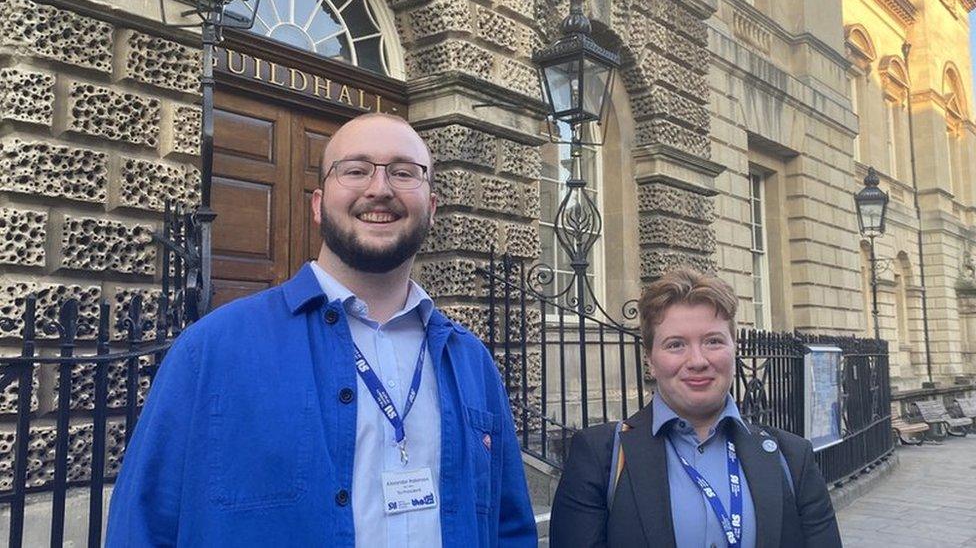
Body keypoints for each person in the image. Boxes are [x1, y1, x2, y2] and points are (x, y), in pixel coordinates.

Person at [106, 113, 537, 547]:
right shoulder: (212, 350)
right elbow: (143, 527)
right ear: (317, 204)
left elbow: (509, 528)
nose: (380, 189)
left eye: (404, 172)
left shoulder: (470, 361)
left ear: (432, 208)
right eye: (355, 170)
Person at [548, 268, 842, 548]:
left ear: (734, 347)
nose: (698, 360)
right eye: (676, 345)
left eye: (713, 341)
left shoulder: (792, 458)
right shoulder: (600, 457)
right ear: (650, 358)